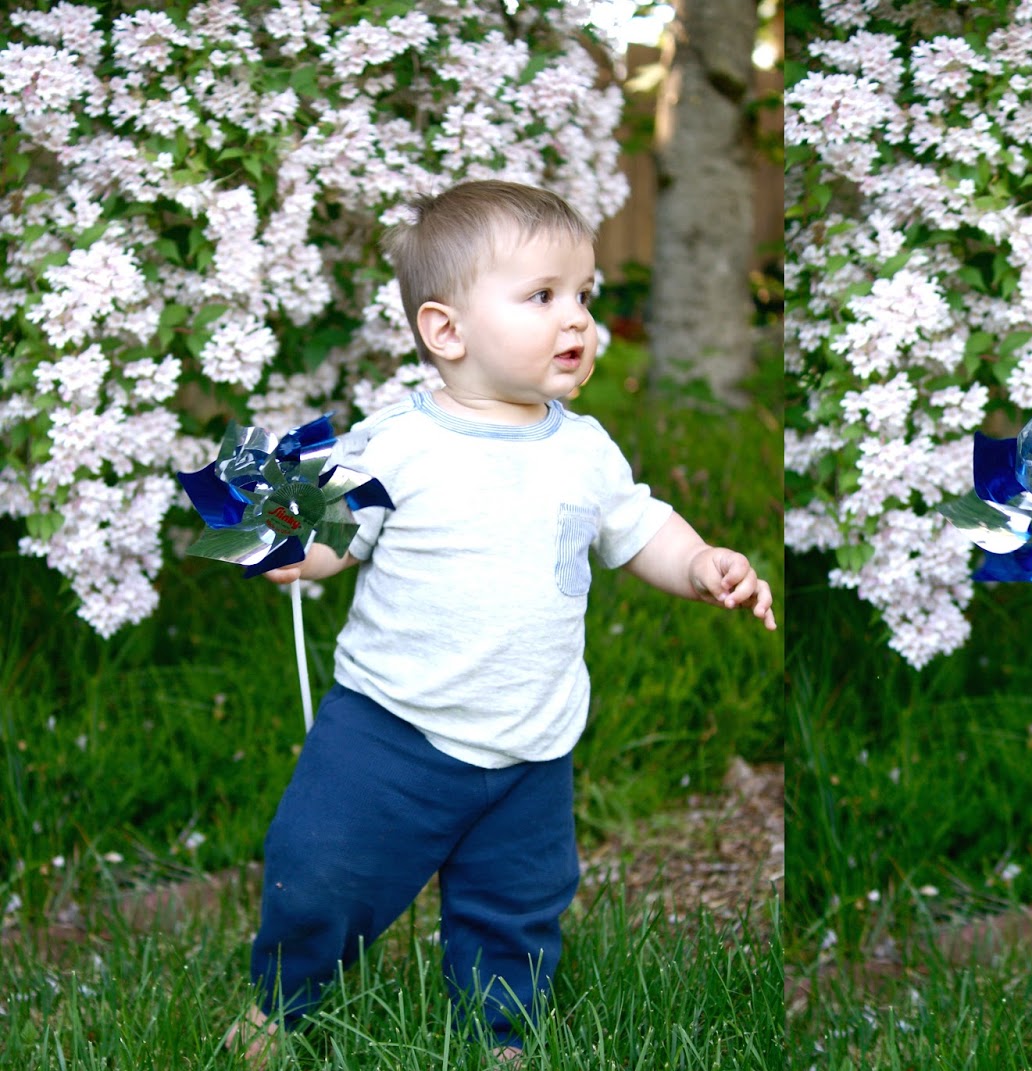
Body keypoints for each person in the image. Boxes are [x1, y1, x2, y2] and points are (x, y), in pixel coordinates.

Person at [225, 180, 777, 1065]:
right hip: (391, 730)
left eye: (585, 294)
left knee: (519, 904)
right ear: (446, 331)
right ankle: (282, 1004)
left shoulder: (584, 447)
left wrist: (700, 560)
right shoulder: (398, 443)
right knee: (322, 874)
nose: (577, 319)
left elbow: (638, 525)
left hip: (532, 742)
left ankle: (500, 1033)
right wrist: (301, 550)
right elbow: (338, 533)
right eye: (543, 296)